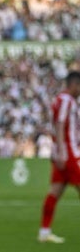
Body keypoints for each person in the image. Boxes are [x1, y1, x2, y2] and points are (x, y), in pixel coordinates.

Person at [37, 70, 80, 244]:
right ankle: (44, 232)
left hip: (61, 152)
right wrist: (62, 151)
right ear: (74, 85)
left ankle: (44, 232)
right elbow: (60, 124)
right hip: (69, 152)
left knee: (54, 192)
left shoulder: (59, 100)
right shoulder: (66, 100)